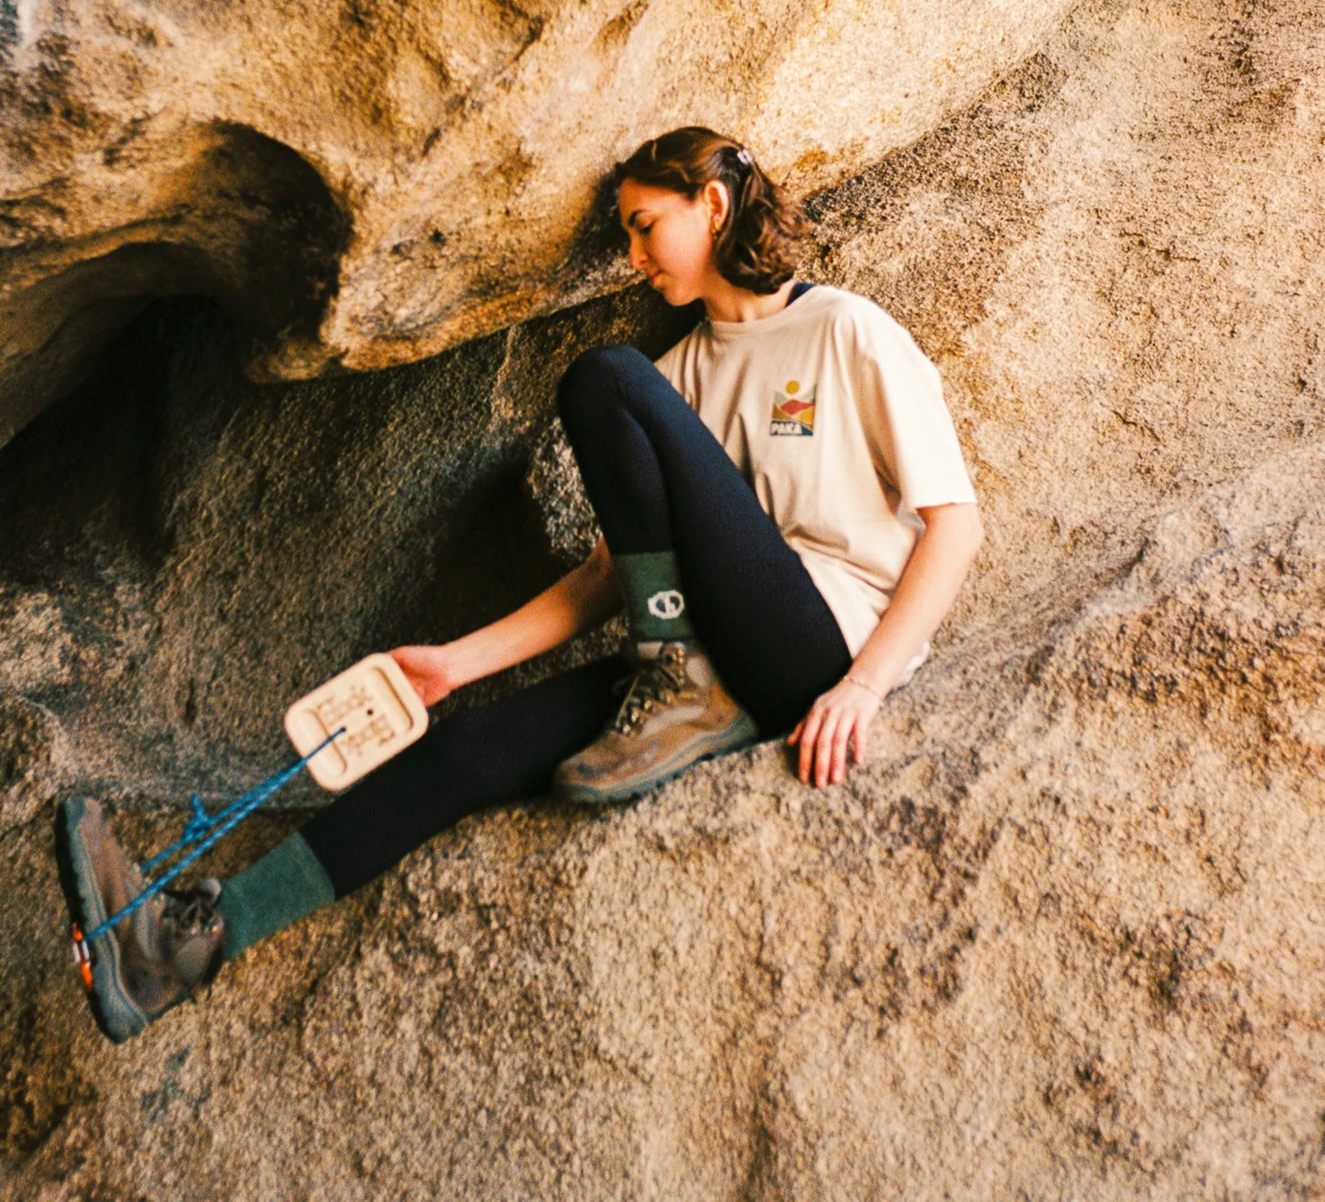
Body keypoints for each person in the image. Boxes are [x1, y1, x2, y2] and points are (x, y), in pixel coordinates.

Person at [55, 127, 983, 1044]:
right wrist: (454, 665)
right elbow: (608, 576)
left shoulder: (842, 329)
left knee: (605, 377)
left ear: (712, 205)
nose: (632, 258)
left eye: (643, 226)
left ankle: (674, 671)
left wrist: (863, 686)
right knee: (470, 748)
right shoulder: (684, 377)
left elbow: (956, 526)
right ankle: (179, 946)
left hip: (818, 644)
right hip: (709, 660)